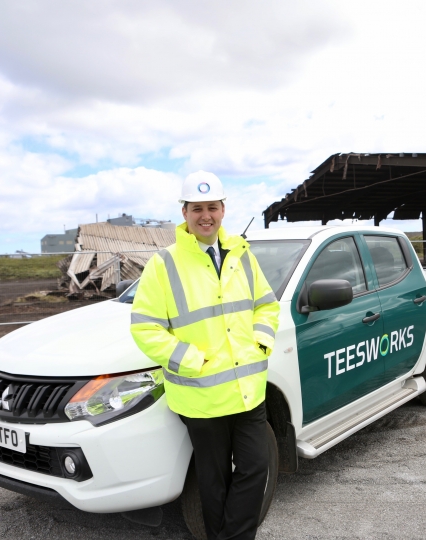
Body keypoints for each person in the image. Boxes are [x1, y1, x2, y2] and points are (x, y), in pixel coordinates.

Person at [130, 171, 279, 540]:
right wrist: (192, 361)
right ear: (184, 212)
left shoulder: (242, 254)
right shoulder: (163, 264)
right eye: (197, 209)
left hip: (248, 388)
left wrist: (259, 343)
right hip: (202, 395)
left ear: (223, 210)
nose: (205, 216)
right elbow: (144, 328)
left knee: (256, 467)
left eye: (212, 207)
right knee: (213, 482)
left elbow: (267, 306)